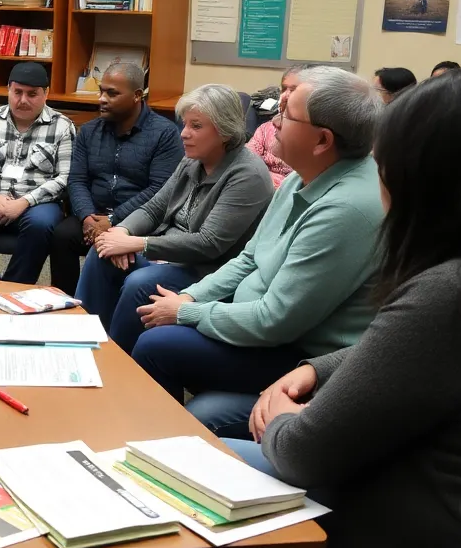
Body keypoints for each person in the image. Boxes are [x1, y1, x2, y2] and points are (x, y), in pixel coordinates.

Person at [206, 68, 461, 548]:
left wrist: (280, 415)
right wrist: (314, 368)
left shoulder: (455, 291)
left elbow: (304, 452)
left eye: (385, 160)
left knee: (206, 474)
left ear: (428, 179)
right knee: (211, 422)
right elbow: (412, 350)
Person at [135, 67, 384, 437]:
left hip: (306, 359)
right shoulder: (307, 173)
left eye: (286, 113)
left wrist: (187, 312)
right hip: (269, 332)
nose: (273, 120)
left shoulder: (346, 209)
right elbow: (250, 257)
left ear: (322, 140)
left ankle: (162, 446)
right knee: (154, 305)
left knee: (158, 344)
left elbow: (275, 320)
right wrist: (189, 297)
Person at [77, 84, 273, 354]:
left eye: (196, 126)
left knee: (139, 283)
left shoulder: (247, 174)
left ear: (225, 130)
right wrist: (121, 232)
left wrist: (138, 244)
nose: (184, 133)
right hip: (167, 252)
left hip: (206, 269)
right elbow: (155, 207)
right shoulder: (193, 159)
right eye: (185, 124)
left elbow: (209, 243)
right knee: (101, 253)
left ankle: (118, 361)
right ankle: (83, 339)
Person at [48, 62, 183, 295]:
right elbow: (77, 180)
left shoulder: (164, 134)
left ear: (137, 96)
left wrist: (114, 220)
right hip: (94, 214)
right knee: (62, 236)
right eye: (101, 91)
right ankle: (66, 305)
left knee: (111, 249)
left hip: (141, 219)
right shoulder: (90, 131)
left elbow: (160, 189)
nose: (102, 98)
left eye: (112, 93)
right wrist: (87, 217)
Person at [0, 62, 75, 284]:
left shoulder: (62, 127)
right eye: (17, 92)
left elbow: (65, 178)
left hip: (37, 203)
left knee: (41, 224)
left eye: (32, 94)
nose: (23, 100)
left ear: (46, 93)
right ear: (9, 89)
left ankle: (14, 289)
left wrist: (25, 202)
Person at [246, 64, 310, 188]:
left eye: (293, 90)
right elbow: (247, 164)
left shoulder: (310, 133)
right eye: (284, 89)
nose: (285, 95)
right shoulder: (266, 129)